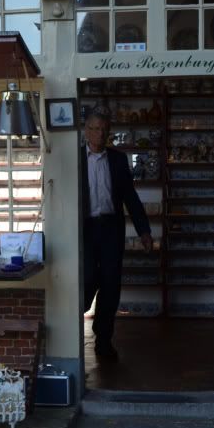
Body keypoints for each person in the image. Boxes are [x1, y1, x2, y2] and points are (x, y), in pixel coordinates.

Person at [81, 107, 153, 361]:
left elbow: (130, 198)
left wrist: (144, 231)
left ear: (109, 132)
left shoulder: (118, 159)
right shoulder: (75, 158)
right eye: (94, 129)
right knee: (88, 278)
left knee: (111, 284)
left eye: (103, 130)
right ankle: (75, 324)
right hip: (84, 230)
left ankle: (103, 340)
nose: (99, 134)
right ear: (86, 131)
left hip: (111, 228)